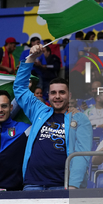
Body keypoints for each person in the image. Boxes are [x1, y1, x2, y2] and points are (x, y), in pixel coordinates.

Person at [14, 44, 92, 190]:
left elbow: (82, 155)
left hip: (61, 185)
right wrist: (31, 58)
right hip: (33, 183)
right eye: (53, 93)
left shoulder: (80, 119)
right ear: (48, 95)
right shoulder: (39, 111)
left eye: (62, 92)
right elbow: (20, 89)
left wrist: (73, 185)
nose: (57, 97)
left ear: (69, 96)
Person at [0, 90, 31, 191]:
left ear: (11, 107)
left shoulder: (25, 130)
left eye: (4, 106)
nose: (0, 110)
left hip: (15, 192)